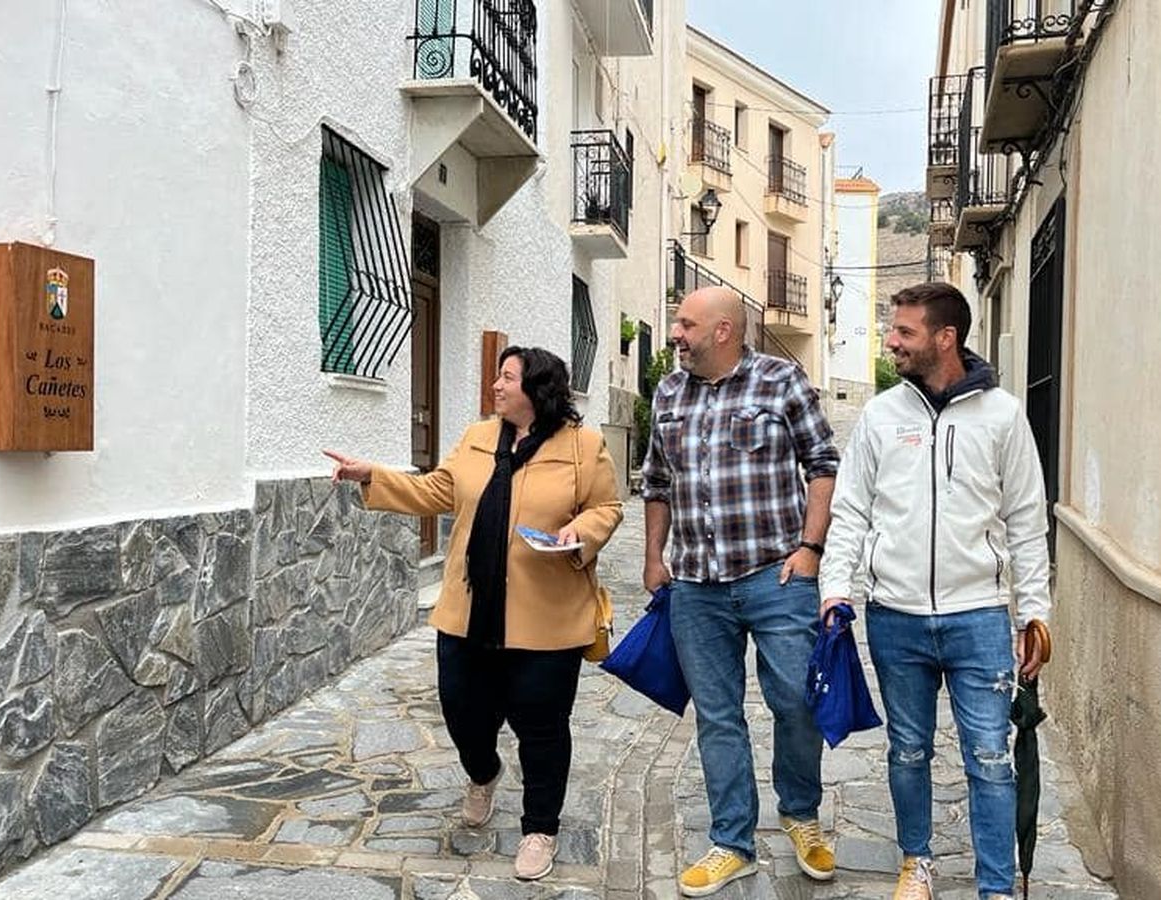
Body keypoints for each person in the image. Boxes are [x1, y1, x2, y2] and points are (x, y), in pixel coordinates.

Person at [326, 345, 623, 882]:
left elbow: (607, 507)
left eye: (507, 378)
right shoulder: (477, 438)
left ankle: (540, 828)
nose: (496, 386)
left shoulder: (584, 445)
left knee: (542, 725)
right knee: (462, 708)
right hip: (469, 610)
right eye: (498, 377)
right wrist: (373, 475)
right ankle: (483, 773)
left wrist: (583, 531)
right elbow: (439, 490)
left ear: (536, 389)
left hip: (548, 615)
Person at [817, 282, 1051, 900]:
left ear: (945, 338)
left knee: (991, 760)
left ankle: (996, 887)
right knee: (908, 750)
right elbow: (852, 511)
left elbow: (1027, 519)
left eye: (905, 333)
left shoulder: (1002, 416)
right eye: (892, 331)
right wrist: (836, 587)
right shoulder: (880, 415)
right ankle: (915, 861)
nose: (891, 342)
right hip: (896, 616)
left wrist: (1034, 614)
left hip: (979, 616)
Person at [640, 286, 841, 896]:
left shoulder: (781, 382)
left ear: (723, 330)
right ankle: (733, 841)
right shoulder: (669, 392)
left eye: (685, 323)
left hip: (775, 575)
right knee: (718, 717)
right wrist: (654, 556)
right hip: (697, 585)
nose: (675, 333)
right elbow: (655, 481)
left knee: (796, 702)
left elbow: (823, 463)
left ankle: (800, 815)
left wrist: (810, 549)